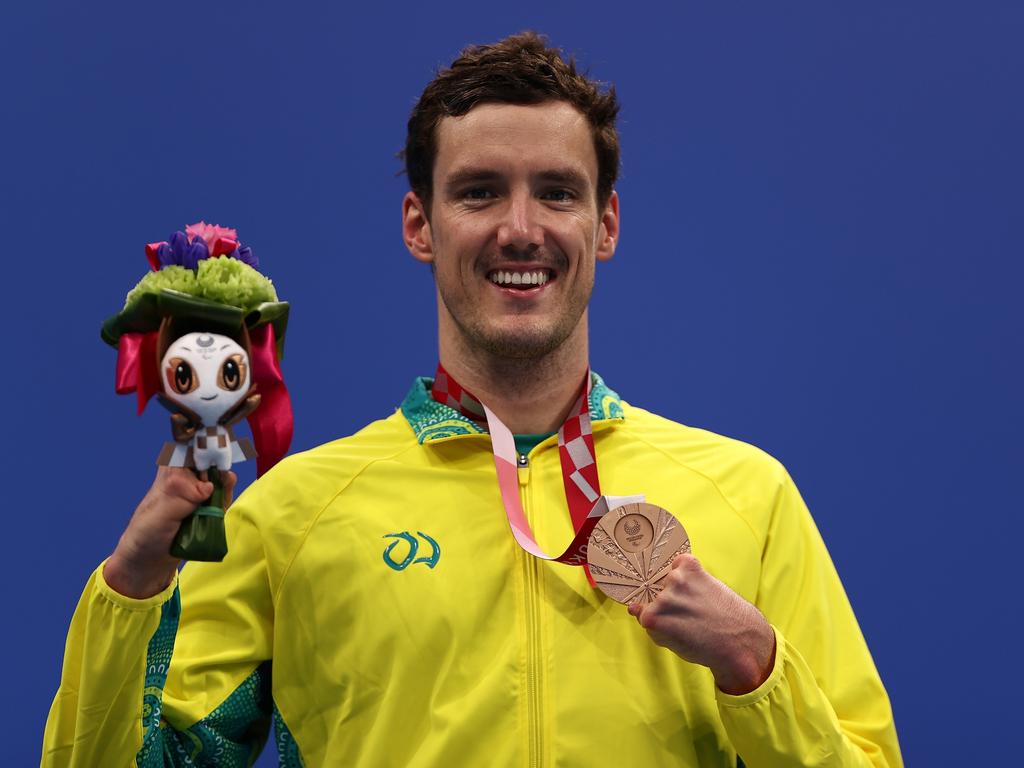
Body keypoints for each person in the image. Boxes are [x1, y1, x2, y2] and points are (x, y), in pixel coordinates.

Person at [43, 32, 903, 767]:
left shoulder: (748, 496)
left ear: (605, 224)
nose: (520, 228)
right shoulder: (291, 518)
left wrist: (756, 665)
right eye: (479, 190)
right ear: (422, 225)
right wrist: (131, 587)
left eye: (558, 192)